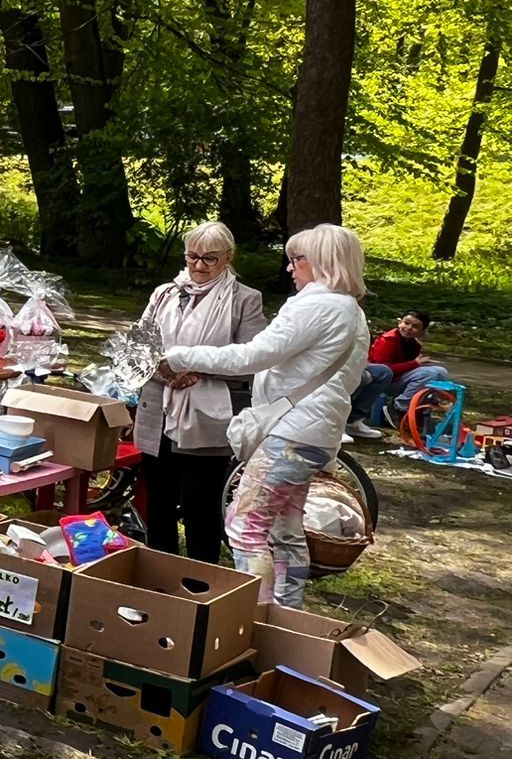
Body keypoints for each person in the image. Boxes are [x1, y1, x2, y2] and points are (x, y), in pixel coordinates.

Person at [160, 223, 370, 610]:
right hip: (318, 435)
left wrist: (183, 355)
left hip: (290, 436)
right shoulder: (352, 311)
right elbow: (352, 378)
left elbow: (252, 356)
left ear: (321, 261)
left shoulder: (317, 304)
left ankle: (253, 620)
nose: (290, 268)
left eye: (296, 259)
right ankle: (287, 614)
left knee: (244, 527)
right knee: (285, 531)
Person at [131, 222, 267, 565]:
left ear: (228, 258)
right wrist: (164, 369)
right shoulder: (164, 293)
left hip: (207, 415)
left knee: (199, 504)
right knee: (158, 499)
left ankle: (201, 578)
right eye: (193, 256)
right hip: (157, 406)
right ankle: (159, 572)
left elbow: (254, 359)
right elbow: (139, 344)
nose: (199, 265)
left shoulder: (244, 299)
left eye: (210, 258)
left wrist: (196, 367)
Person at [350, 310, 450, 438]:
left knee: (440, 372)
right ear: (399, 322)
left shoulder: (412, 342)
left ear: (422, 331)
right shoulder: (388, 340)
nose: (408, 328)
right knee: (429, 373)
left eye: (415, 327)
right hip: (382, 380)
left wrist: (417, 351)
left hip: (398, 377)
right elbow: (383, 370)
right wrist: (414, 364)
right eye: (406, 323)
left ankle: (421, 407)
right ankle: (398, 408)